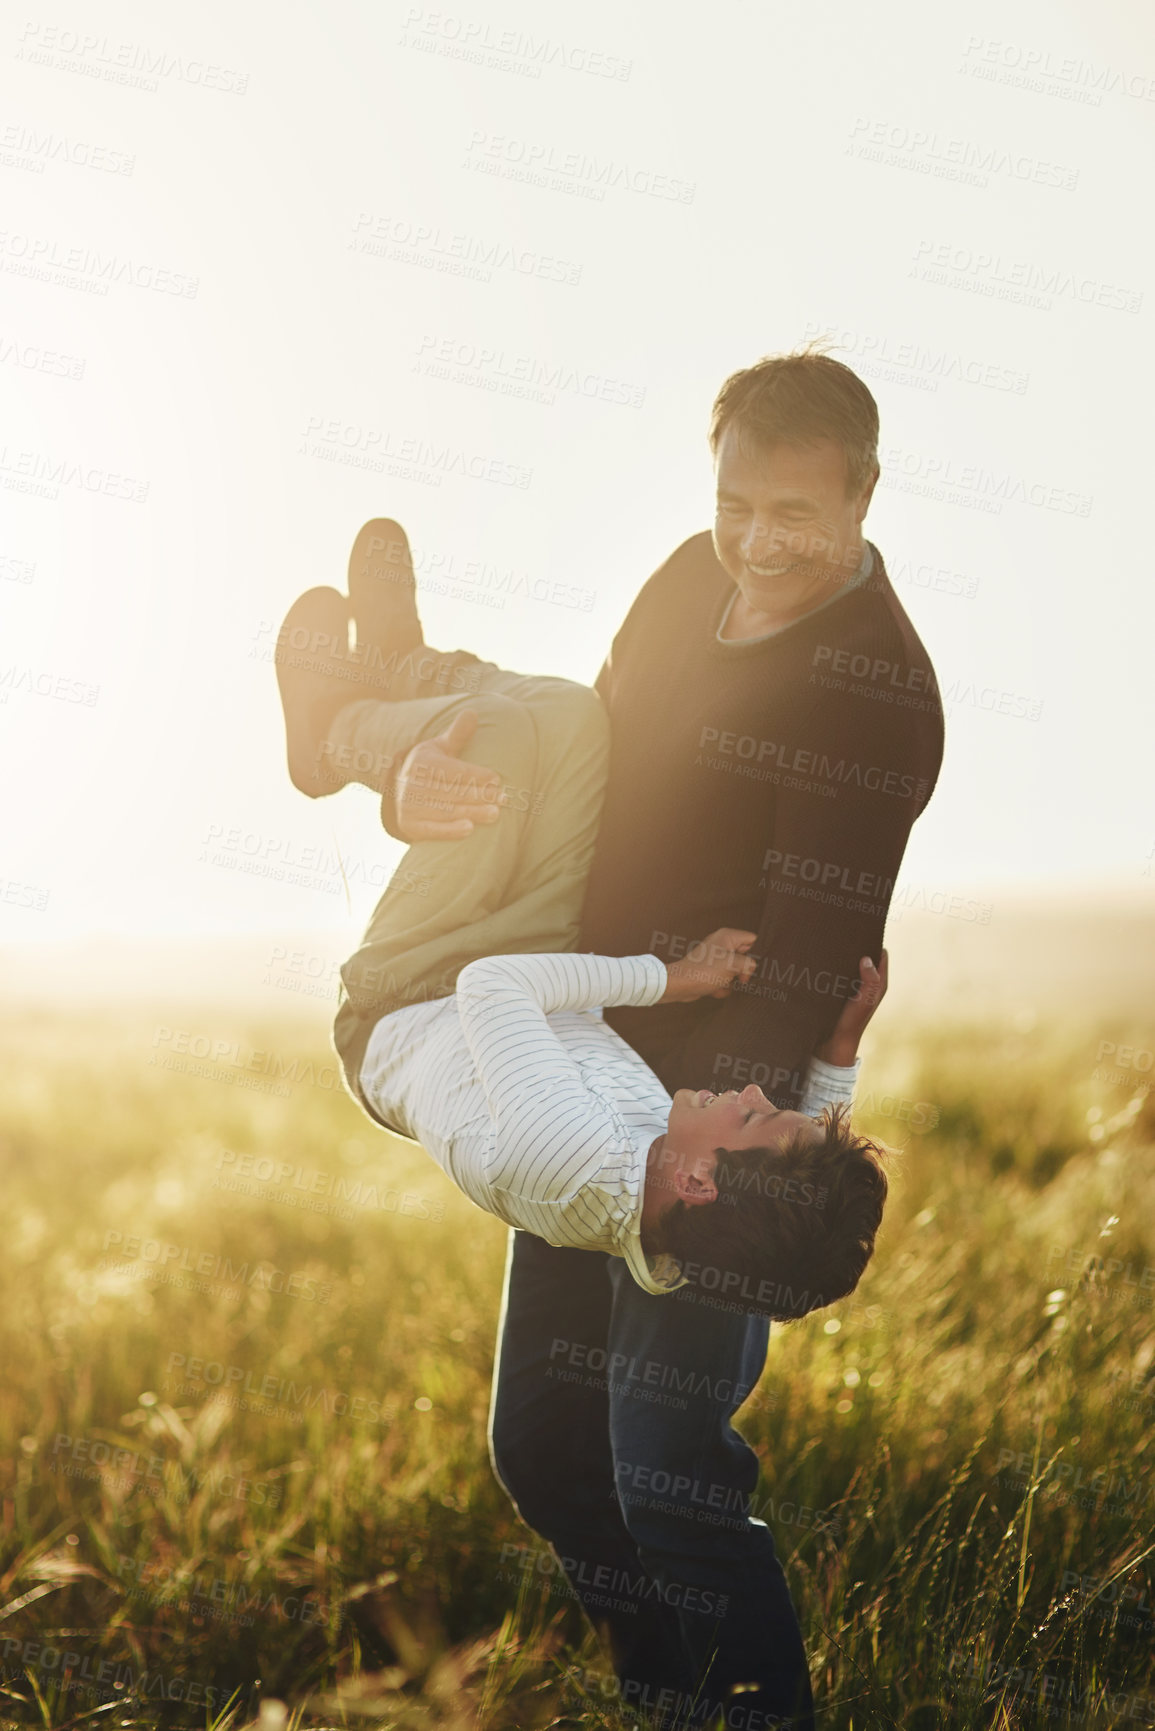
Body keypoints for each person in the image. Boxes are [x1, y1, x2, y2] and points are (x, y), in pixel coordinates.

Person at [274, 347, 944, 1728]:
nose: (756, 544)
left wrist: (752, 1122)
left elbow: (802, 956)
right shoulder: (689, 582)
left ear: (866, 498)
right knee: (547, 1452)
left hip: (702, 1111)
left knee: (666, 1471)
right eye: (737, 502)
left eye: (797, 517)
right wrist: (425, 796)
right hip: (587, 1033)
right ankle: (372, 710)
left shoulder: (874, 690)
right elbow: (584, 772)